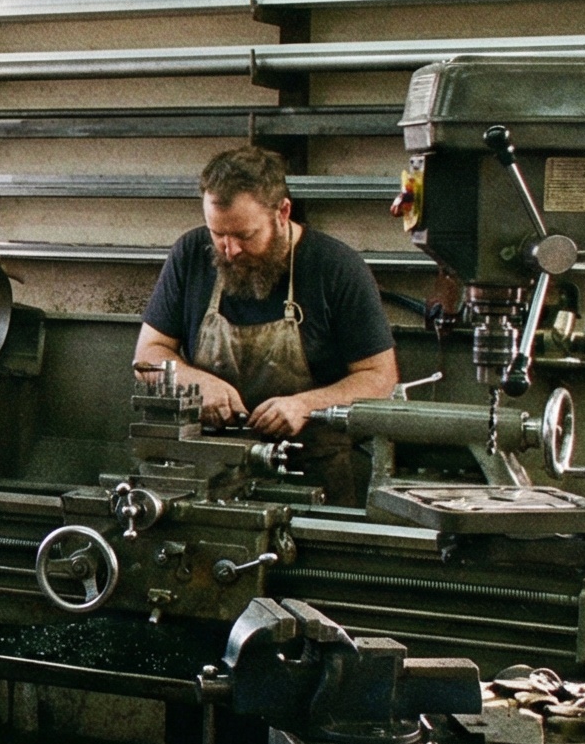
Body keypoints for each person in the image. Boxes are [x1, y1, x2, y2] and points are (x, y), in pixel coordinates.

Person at [134, 145, 398, 499]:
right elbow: (148, 355)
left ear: (282, 212)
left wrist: (306, 405)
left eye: (244, 235)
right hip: (208, 472)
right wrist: (194, 383)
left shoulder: (337, 268)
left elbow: (380, 378)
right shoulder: (191, 254)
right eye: (218, 233)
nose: (229, 250)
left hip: (311, 475)